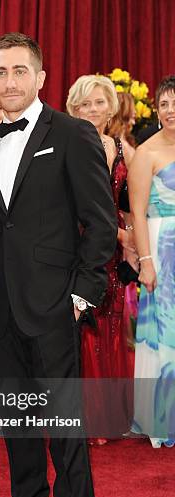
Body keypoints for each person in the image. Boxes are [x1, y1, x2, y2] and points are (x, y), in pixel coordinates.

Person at [0, 33, 117, 497]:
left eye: (18, 71)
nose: (9, 81)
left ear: (40, 77)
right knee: (18, 428)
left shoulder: (74, 133)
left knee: (64, 430)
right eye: (0, 71)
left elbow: (100, 221)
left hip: (56, 307)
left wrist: (81, 296)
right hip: (2, 309)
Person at [67, 75, 136, 444]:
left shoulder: (120, 146)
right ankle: (88, 419)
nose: (92, 110)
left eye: (98, 102)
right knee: (86, 326)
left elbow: (131, 199)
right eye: (84, 104)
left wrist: (134, 241)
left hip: (114, 248)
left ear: (110, 107)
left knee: (112, 323)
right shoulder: (70, 142)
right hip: (82, 244)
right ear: (73, 108)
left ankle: (113, 414)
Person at [129, 75, 175, 449]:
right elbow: (138, 213)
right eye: (164, 104)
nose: (170, 110)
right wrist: (146, 261)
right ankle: (164, 417)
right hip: (162, 248)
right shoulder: (146, 152)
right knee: (166, 333)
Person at [107, 92, 139, 350]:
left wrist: (129, 235)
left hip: (119, 239)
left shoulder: (123, 149)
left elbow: (133, 201)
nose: (136, 118)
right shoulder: (121, 147)